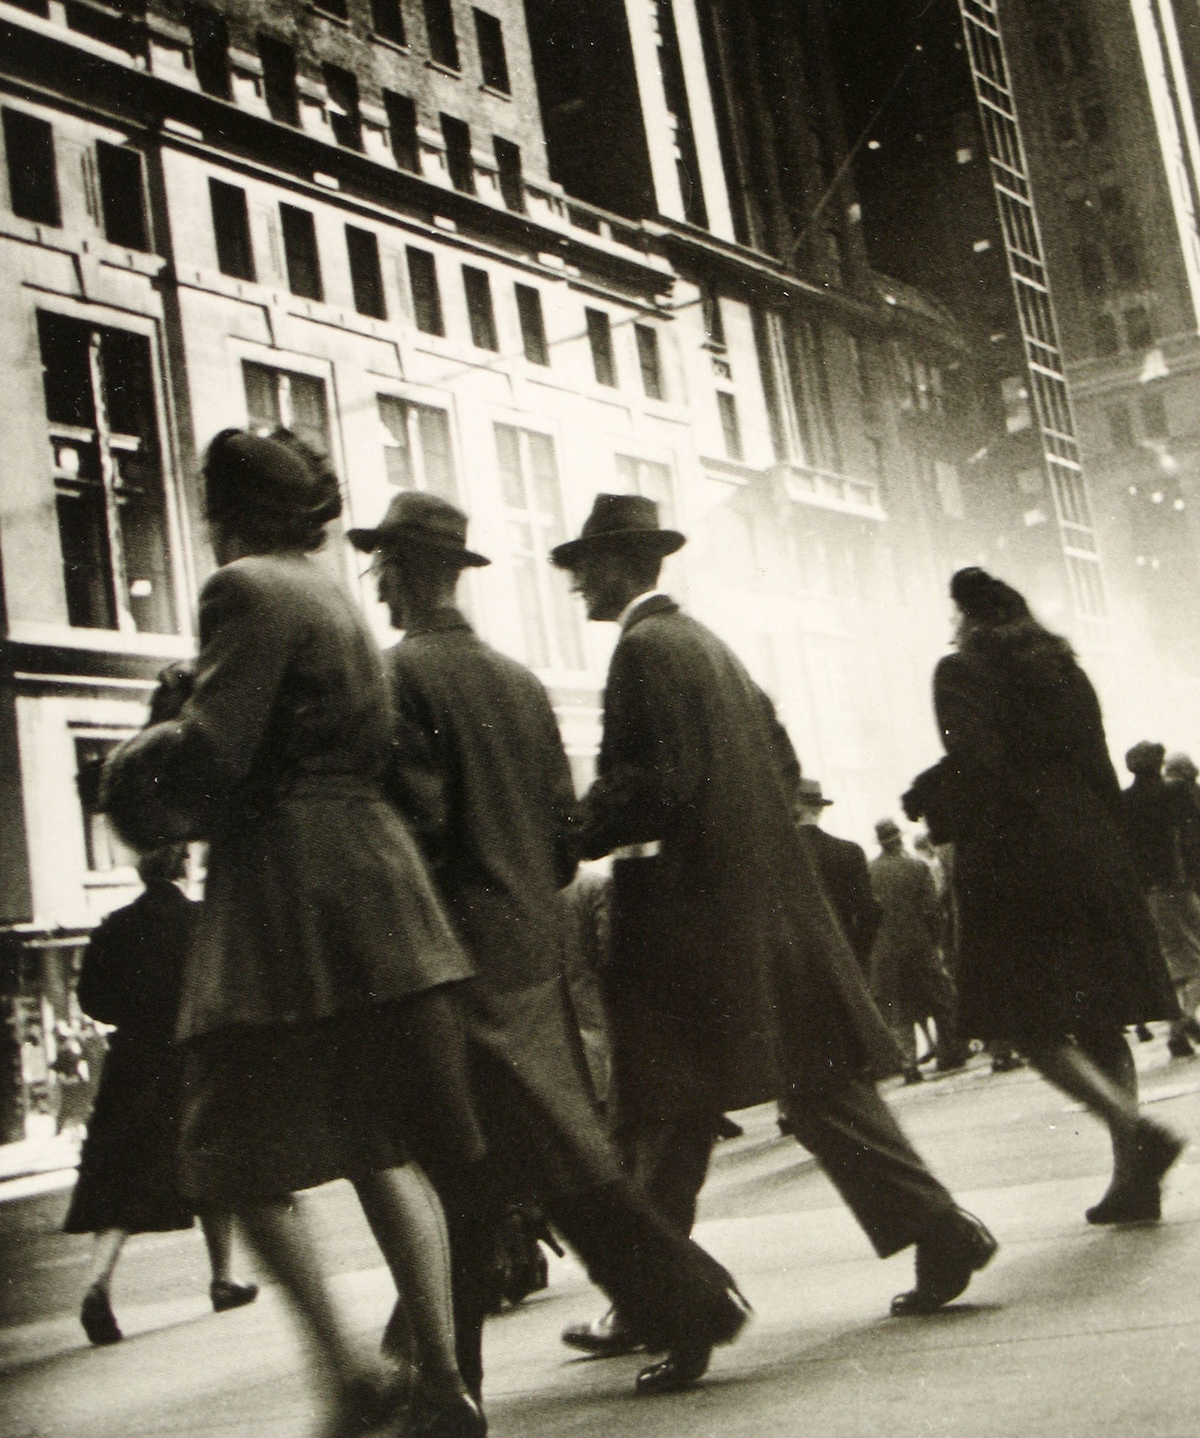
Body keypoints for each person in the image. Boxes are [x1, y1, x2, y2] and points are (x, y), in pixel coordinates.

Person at [551, 493, 997, 1374]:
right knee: (820, 1085)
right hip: (767, 905)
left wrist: (565, 831)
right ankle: (940, 1228)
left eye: (583, 568)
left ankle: (664, 1305)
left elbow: (653, 787)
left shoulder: (642, 651)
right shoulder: (710, 646)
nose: (575, 585)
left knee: (665, 1107)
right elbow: (782, 764)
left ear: (619, 566)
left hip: (691, 920)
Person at [100, 429, 486, 1438]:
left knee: (226, 1150)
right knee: (378, 1141)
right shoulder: (334, 595)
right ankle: (441, 1382)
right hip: (374, 886)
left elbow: (216, 754)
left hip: (281, 892)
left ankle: (354, 1376)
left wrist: (141, 748)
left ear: (223, 506)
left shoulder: (242, 588)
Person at [349, 490, 748, 1401]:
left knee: (470, 1163)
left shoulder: (396, 677)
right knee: (545, 1157)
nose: (374, 588)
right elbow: (565, 834)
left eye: (379, 569)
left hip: (451, 953)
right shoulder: (518, 681)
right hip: (530, 944)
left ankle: (453, 1383)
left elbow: (416, 827)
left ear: (402, 572)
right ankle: (677, 1307)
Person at [904, 567, 1184, 1225]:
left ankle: (1134, 1132)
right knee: (1101, 1016)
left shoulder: (960, 672)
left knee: (1026, 1021)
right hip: (1091, 847)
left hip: (1020, 859)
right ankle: (1133, 1181)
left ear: (965, 618)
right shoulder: (1068, 670)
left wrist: (927, 796)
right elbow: (1098, 764)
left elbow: (977, 764)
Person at [63, 843, 258, 1347]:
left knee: (120, 1179)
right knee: (212, 1165)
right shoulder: (201, 922)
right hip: (193, 1054)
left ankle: (97, 1284)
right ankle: (222, 1279)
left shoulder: (112, 927)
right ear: (182, 866)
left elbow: (93, 1000)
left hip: (132, 1063)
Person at [869, 819, 966, 1081]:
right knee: (941, 999)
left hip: (887, 951)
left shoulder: (870, 872)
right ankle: (949, 1054)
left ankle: (909, 1066)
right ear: (899, 840)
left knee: (900, 1010)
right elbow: (933, 910)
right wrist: (935, 942)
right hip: (920, 946)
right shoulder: (917, 867)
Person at [1123, 741, 1200, 1058]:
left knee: (1171, 962)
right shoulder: (1176, 793)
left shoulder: (1123, 801)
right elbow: (1191, 837)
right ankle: (1181, 1024)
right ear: (1157, 764)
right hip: (1177, 886)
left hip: (1146, 892)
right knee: (1196, 958)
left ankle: (1179, 1025)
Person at [793, 778, 880, 975]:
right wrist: (856, 953)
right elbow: (870, 911)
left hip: (792, 966)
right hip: (841, 962)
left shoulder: (775, 853)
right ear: (820, 810)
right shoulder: (849, 852)